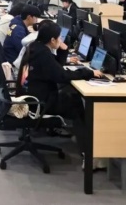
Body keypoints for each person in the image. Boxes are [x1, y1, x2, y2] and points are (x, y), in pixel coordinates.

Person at [16, 22, 102, 155]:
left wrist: (63, 49)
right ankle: (88, 151)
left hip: (31, 96)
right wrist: (89, 73)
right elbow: (61, 76)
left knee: (70, 95)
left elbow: (56, 67)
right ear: (52, 40)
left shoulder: (36, 47)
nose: (61, 40)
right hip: (39, 103)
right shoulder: (43, 54)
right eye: (59, 38)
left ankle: (82, 139)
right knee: (76, 103)